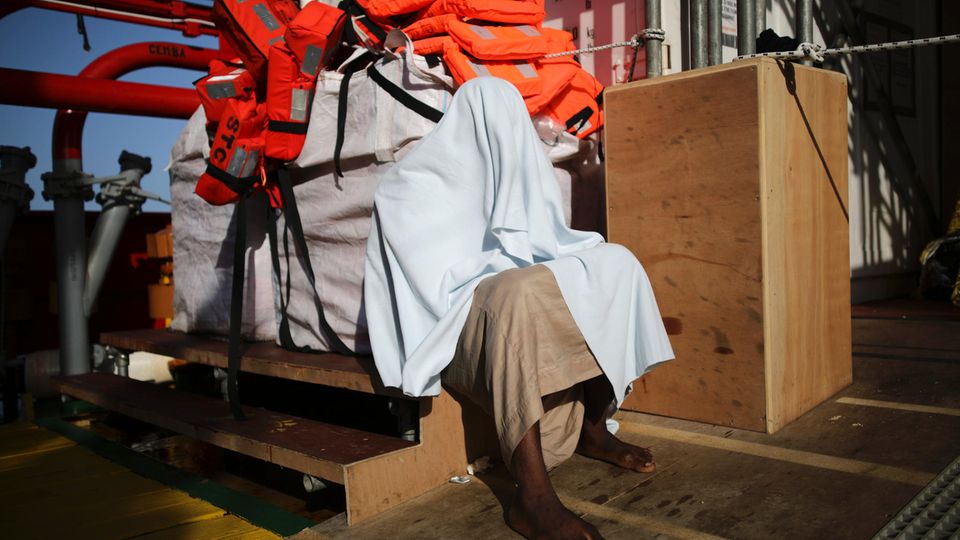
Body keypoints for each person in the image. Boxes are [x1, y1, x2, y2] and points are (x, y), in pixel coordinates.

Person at [364, 77, 674, 539]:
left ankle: (592, 426)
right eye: (497, 125)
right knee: (512, 294)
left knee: (613, 262)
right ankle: (532, 496)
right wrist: (497, 270)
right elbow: (428, 293)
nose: (509, 139)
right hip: (451, 331)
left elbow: (543, 242)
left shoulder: (516, 169)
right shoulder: (406, 189)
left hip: (507, 305)